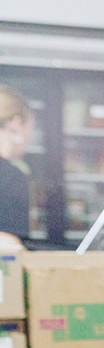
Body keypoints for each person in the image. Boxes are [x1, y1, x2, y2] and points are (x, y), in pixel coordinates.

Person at [0, 86, 36, 241]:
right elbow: (8, 245)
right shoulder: (11, 177)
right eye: (30, 127)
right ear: (16, 122)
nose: (30, 136)